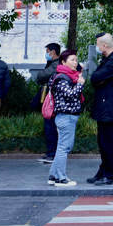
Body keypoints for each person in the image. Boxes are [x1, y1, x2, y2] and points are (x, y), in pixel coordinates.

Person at [87, 33, 113, 186]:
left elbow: (95, 78)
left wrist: (99, 80)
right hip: (105, 106)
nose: (97, 47)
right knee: (103, 142)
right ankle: (103, 171)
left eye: (98, 44)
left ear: (104, 46)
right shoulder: (108, 59)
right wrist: (99, 80)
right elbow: (96, 79)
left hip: (110, 107)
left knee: (108, 143)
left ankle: (110, 175)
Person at [47, 50, 85, 187]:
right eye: (72, 60)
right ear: (63, 62)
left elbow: (78, 71)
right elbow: (70, 94)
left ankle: (53, 176)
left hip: (67, 116)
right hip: (65, 116)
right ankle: (61, 178)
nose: (75, 62)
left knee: (62, 147)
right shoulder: (62, 78)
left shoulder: (68, 75)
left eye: (76, 60)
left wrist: (79, 74)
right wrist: (80, 84)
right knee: (64, 148)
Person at [36, 42, 61, 164]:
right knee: (50, 126)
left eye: (47, 52)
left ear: (53, 52)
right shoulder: (53, 63)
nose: (46, 54)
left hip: (53, 101)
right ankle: (51, 152)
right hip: (52, 100)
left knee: (50, 126)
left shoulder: (56, 64)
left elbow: (42, 75)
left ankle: (52, 153)